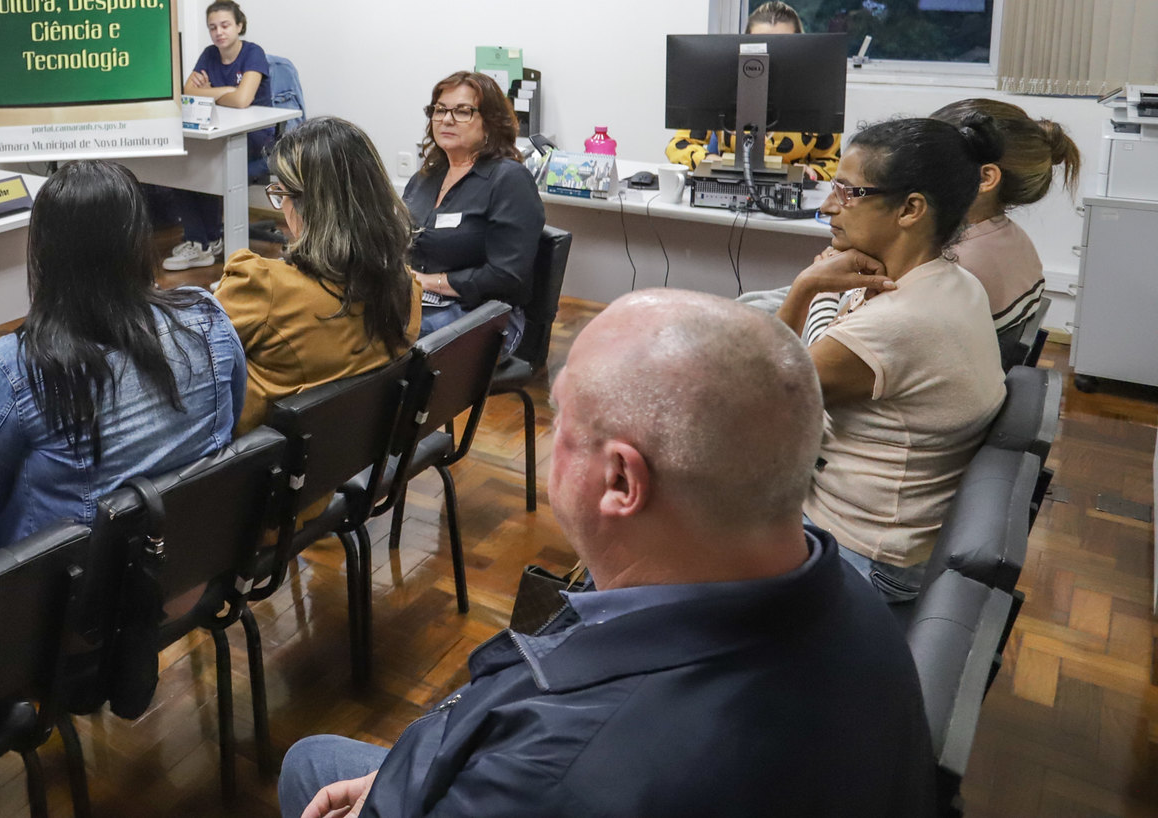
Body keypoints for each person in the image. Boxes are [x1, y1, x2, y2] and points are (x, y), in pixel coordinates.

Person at [280, 291, 936, 818]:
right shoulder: (849, 595)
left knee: (308, 761)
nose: (547, 430)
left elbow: (552, 769)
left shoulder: (556, 774)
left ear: (622, 481)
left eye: (562, 417)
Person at [778, 117, 1008, 603]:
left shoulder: (897, 326)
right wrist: (824, 286)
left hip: (861, 555)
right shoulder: (954, 282)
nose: (828, 205)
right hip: (895, 538)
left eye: (848, 191)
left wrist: (806, 286)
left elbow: (755, 395)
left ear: (910, 209)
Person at [0, 161, 246, 549]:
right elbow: (232, 420)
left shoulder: (16, 365)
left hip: (73, 594)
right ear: (139, 240)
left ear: (45, 253)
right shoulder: (206, 318)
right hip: (198, 561)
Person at [215, 117, 420, 435]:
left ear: (311, 205)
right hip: (330, 467)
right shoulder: (407, 291)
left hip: (245, 474)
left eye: (281, 193)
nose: (281, 206)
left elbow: (190, 371)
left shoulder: (261, 287)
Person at [403, 71, 544, 351]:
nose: (446, 119)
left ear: (490, 123)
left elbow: (508, 277)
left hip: (483, 315)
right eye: (440, 110)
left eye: (463, 111)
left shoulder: (509, 179)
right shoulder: (425, 178)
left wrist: (431, 282)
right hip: (420, 299)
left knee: (384, 335)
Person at [929, 98, 1082, 335]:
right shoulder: (1013, 237)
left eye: (928, 160)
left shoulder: (957, 266)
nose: (915, 169)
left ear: (984, 178)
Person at [665, 0, 841, 181]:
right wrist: (709, 160)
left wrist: (813, 171)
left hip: (792, 192)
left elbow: (831, 161)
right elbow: (679, 146)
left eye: (783, 45)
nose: (771, 55)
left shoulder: (816, 92)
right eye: (761, 44)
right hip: (733, 186)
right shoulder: (722, 86)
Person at [160, 0, 275, 270]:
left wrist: (210, 93)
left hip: (255, 137)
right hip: (219, 131)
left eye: (225, 25)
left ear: (239, 26)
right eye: (213, 27)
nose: (218, 32)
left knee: (205, 161)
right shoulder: (209, 54)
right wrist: (226, 91)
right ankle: (205, 242)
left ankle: (203, 242)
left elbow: (243, 100)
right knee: (183, 162)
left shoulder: (253, 53)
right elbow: (188, 92)